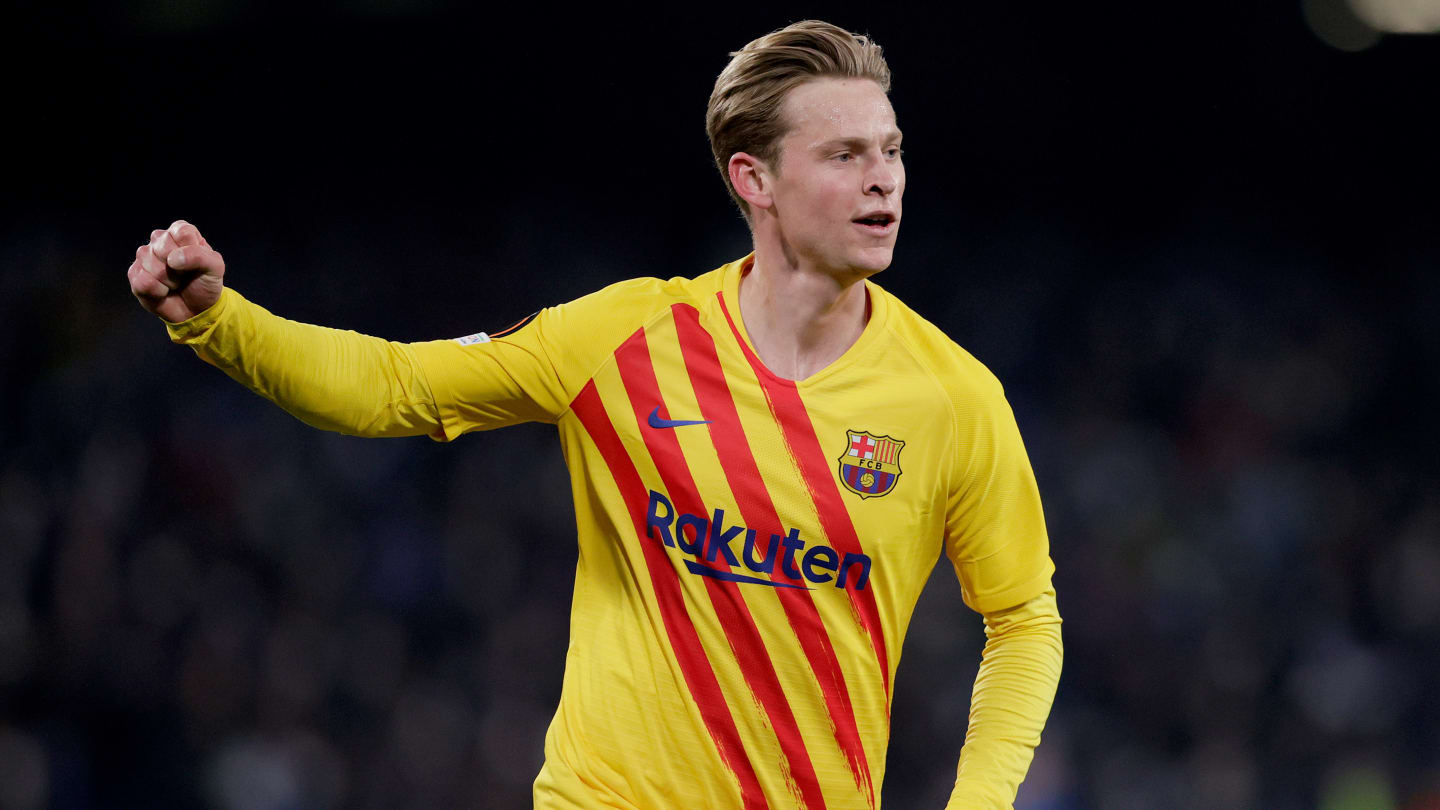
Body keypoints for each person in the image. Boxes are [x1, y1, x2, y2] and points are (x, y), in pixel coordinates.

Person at [127, 20, 1062, 810]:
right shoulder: (625, 339)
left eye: (891, 150)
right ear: (755, 179)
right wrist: (220, 320)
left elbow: (1023, 619)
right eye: (845, 155)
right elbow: (394, 387)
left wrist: (978, 802)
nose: (884, 180)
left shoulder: (953, 397)